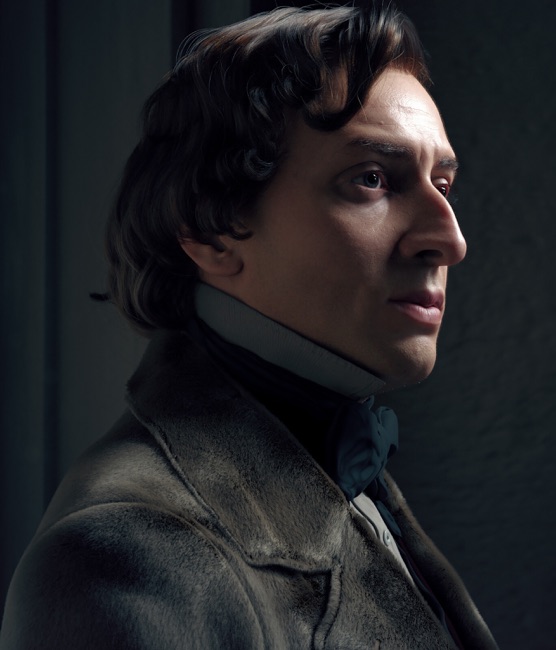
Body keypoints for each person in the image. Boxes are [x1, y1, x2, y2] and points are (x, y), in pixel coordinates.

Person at [0, 4, 499, 649]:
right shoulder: (130, 558)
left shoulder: (340, 465)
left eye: (443, 185)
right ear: (211, 230)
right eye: (373, 179)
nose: (450, 241)